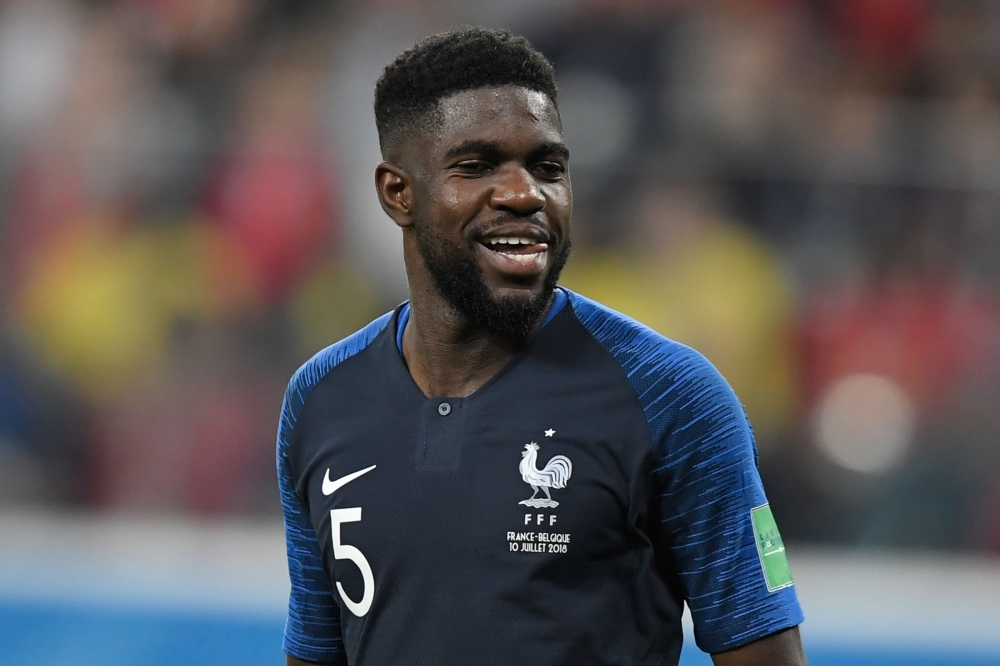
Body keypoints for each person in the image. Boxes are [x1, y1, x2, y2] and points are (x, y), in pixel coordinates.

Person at [277, 27, 807, 666]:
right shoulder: (321, 400)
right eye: (475, 167)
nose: (525, 194)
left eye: (547, 167)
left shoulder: (671, 395)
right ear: (398, 194)